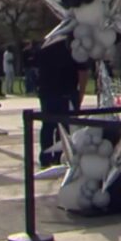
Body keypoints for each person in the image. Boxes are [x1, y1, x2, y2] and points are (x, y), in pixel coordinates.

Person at [37, 39, 87, 167]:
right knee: (64, 128)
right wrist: (81, 93)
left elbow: (39, 70)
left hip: (48, 92)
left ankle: (46, 157)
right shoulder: (74, 49)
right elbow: (82, 72)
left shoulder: (45, 48)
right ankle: (60, 156)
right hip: (66, 93)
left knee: (48, 126)